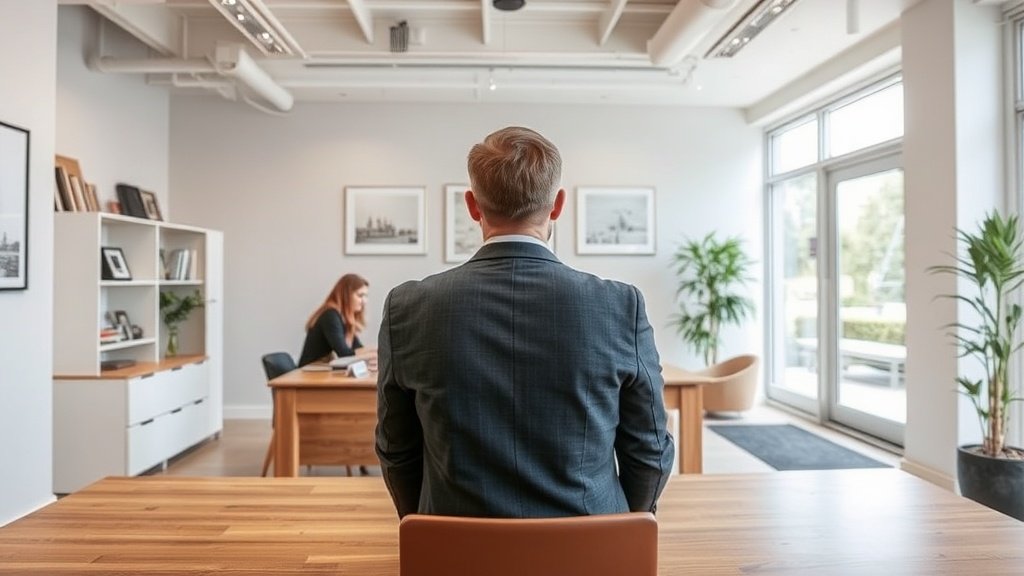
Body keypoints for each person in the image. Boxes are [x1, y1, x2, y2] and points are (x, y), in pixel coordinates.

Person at [375, 126, 674, 519]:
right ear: (558, 205)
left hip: (455, 544)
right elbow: (650, 450)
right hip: (590, 544)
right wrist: (628, 526)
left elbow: (396, 449)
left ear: (472, 206)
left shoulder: (407, 306)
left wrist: (422, 524)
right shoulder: (620, 305)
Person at [298, 273, 375, 367]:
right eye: (360, 295)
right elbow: (344, 354)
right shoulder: (330, 315)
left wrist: (374, 352)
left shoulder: (344, 318)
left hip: (320, 370)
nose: (365, 301)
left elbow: (357, 348)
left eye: (366, 296)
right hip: (307, 372)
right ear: (346, 295)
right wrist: (373, 353)